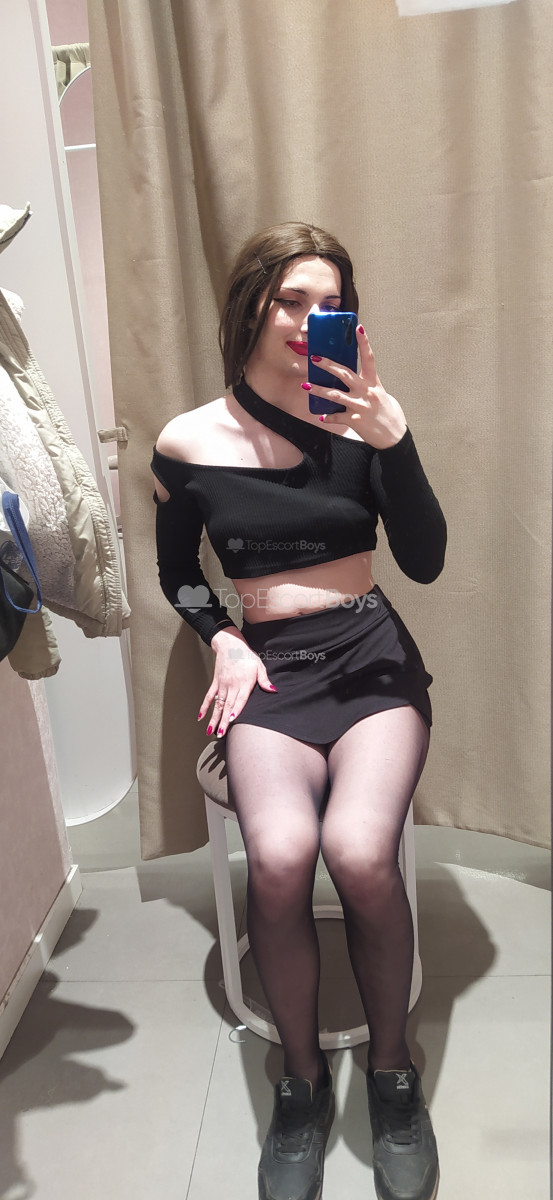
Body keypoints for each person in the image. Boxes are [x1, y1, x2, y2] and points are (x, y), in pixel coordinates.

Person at [151, 221, 446, 1200]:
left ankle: (393, 1076)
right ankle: (300, 1083)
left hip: (368, 661)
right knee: (278, 858)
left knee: (358, 852)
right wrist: (222, 637)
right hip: (269, 668)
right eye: (291, 300)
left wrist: (394, 441)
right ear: (252, 305)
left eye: (331, 305)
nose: (311, 319)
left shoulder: (361, 424)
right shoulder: (187, 442)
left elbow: (425, 561)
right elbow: (177, 574)